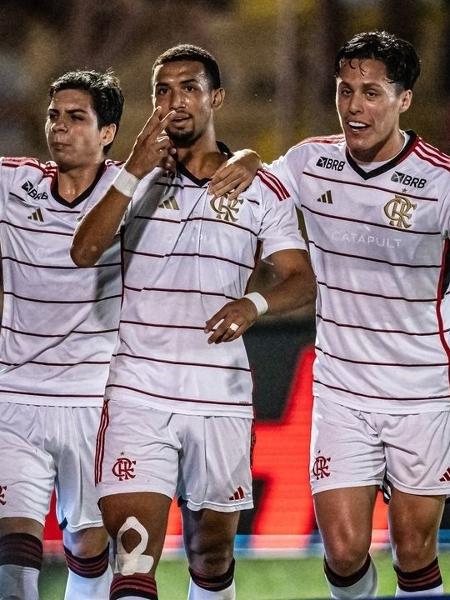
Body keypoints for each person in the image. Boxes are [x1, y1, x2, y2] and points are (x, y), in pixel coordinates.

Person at [209, 30, 450, 598]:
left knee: (415, 551)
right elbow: (259, 184)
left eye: (370, 93)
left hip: (421, 389)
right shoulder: (309, 162)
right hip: (341, 387)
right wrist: (242, 156)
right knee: (343, 553)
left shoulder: (440, 182)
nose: (354, 107)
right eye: (345, 91)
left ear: (404, 99)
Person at [71, 44, 316, 600]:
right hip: (139, 389)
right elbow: (84, 250)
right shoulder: (126, 181)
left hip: (219, 393)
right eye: (162, 90)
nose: (174, 101)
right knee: (132, 552)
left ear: (217, 98)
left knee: (211, 552)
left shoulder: (258, 187)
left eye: (188, 88)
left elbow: (301, 279)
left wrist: (253, 304)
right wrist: (133, 167)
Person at [0, 69, 125, 599]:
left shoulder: (136, 195)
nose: (60, 127)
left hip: (94, 401)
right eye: (55, 115)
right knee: (13, 552)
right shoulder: (12, 182)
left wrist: (248, 157)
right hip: (15, 398)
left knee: (88, 548)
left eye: (77, 118)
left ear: (107, 133)